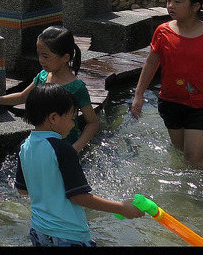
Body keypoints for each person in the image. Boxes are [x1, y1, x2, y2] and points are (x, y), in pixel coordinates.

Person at [15, 83, 143, 246]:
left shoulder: (24, 146)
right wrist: (121, 208)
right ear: (53, 118)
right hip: (68, 234)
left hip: (38, 231)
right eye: (71, 119)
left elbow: (22, 190)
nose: (72, 124)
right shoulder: (63, 149)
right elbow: (78, 197)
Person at [131, 0, 203, 168]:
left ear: (195, 6)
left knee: (194, 161)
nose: (170, 5)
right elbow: (151, 63)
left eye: (177, 1)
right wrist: (138, 94)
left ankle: (195, 197)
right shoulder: (163, 32)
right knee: (181, 154)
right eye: (168, 0)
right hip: (171, 102)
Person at [0, 25, 99, 152]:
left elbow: (92, 123)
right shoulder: (43, 76)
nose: (41, 60)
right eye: (39, 55)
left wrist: (74, 149)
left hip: (65, 148)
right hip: (43, 146)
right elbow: (23, 96)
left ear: (65, 58)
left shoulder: (77, 88)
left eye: (46, 56)